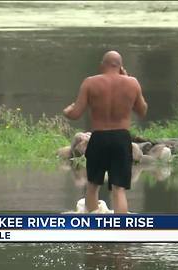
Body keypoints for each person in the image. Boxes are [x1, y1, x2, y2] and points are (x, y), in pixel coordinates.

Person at [63, 51, 148, 213]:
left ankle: (94, 227)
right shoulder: (132, 83)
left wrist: (66, 111)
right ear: (120, 66)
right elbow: (142, 110)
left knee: (93, 185)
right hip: (121, 138)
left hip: (99, 137)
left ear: (102, 65)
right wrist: (128, 79)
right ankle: (121, 228)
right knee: (119, 188)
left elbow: (75, 114)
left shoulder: (90, 83)